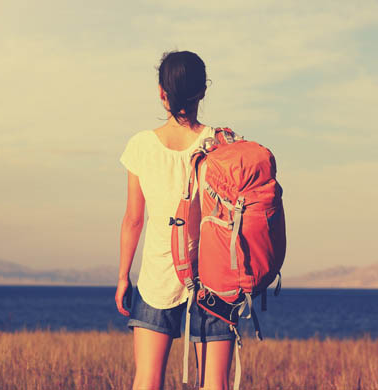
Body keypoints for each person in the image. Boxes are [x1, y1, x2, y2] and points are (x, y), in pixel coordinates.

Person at [115, 50, 236, 390]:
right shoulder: (220, 144)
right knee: (215, 383)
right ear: (203, 91)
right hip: (215, 278)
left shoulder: (141, 146)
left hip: (157, 276)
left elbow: (133, 219)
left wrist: (124, 277)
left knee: (147, 380)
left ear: (161, 92)